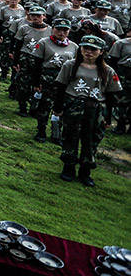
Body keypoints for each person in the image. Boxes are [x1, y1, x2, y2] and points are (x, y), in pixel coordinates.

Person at [53, 36, 123, 186]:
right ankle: (68, 167)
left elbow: (111, 96)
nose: (89, 52)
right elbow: (60, 87)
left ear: (101, 52)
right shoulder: (70, 65)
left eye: (93, 49)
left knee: (91, 140)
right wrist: (58, 108)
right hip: (74, 105)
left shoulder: (107, 71)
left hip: (96, 109)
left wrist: (108, 118)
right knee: (70, 136)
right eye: (85, 48)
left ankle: (85, 171)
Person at [30, 18, 78, 143]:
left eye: (65, 30)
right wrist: (36, 83)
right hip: (48, 78)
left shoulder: (74, 47)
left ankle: (56, 133)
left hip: (65, 80)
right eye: (58, 29)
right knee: (45, 106)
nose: (61, 33)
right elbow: (37, 64)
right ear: (53, 29)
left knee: (61, 107)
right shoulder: (44, 42)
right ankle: (41, 131)